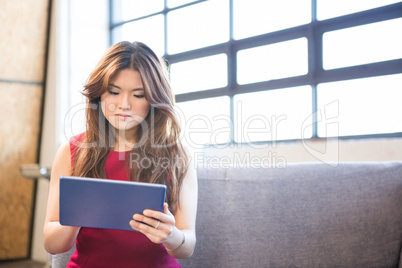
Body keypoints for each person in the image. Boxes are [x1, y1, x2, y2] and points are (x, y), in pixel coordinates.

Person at [43, 41, 198, 267]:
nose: (123, 105)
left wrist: (171, 235)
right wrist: (77, 215)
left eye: (138, 95)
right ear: (99, 95)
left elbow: (188, 246)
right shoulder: (72, 150)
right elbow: (52, 244)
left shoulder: (177, 154)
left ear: (154, 100)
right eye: (113, 92)